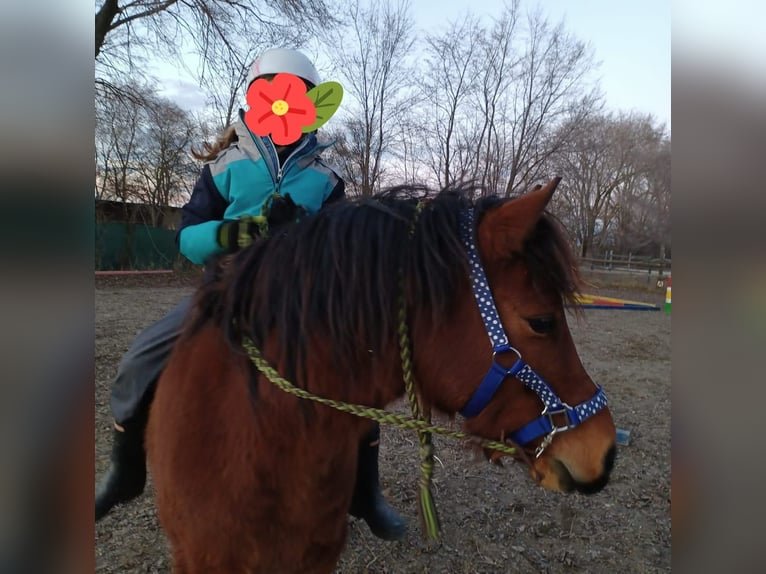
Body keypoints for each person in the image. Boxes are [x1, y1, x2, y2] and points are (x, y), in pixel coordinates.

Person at [95, 47, 407, 541]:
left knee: (360, 378)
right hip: (226, 288)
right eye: (276, 93)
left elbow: (341, 249)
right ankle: (125, 471)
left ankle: (366, 494)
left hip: (302, 297)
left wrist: (302, 232)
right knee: (139, 360)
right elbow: (187, 235)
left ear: (314, 105)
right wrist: (238, 234)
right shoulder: (224, 166)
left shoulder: (325, 180)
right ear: (257, 100)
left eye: (298, 96)